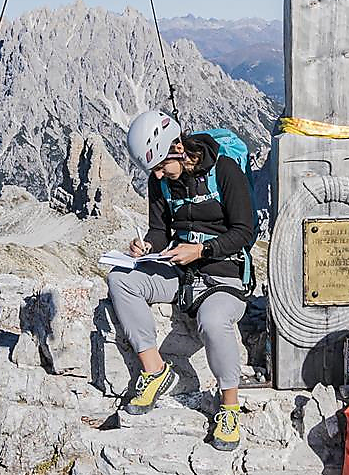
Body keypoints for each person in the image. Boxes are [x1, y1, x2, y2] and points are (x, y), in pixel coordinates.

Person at [107, 110, 258, 451]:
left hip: (224, 271)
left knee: (213, 319)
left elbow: (244, 233)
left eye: (162, 165)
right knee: (121, 280)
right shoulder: (159, 181)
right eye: (154, 170)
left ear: (177, 147)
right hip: (180, 270)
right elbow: (160, 230)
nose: (159, 175)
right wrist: (147, 246)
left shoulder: (225, 171)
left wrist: (201, 251)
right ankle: (155, 370)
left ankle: (229, 406)